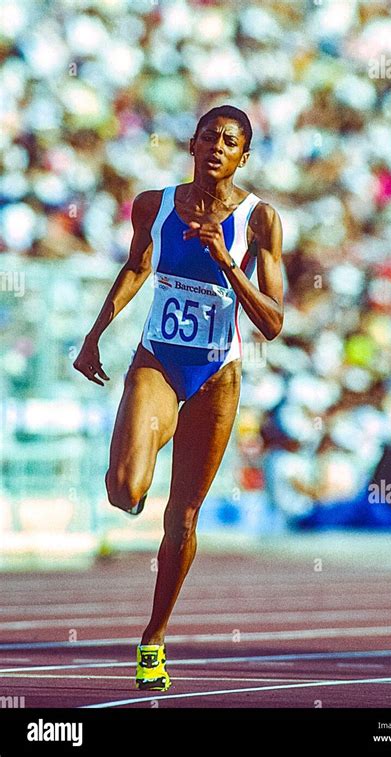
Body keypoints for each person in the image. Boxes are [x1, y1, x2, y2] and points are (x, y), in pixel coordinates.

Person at [73, 105, 284, 691]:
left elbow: (273, 321)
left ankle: (154, 637)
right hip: (159, 359)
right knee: (124, 490)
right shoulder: (154, 205)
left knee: (184, 516)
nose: (218, 146)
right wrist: (95, 335)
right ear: (192, 144)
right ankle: (139, 462)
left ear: (244, 156)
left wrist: (226, 263)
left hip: (217, 375)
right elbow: (138, 266)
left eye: (231, 141)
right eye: (210, 136)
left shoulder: (260, 219)